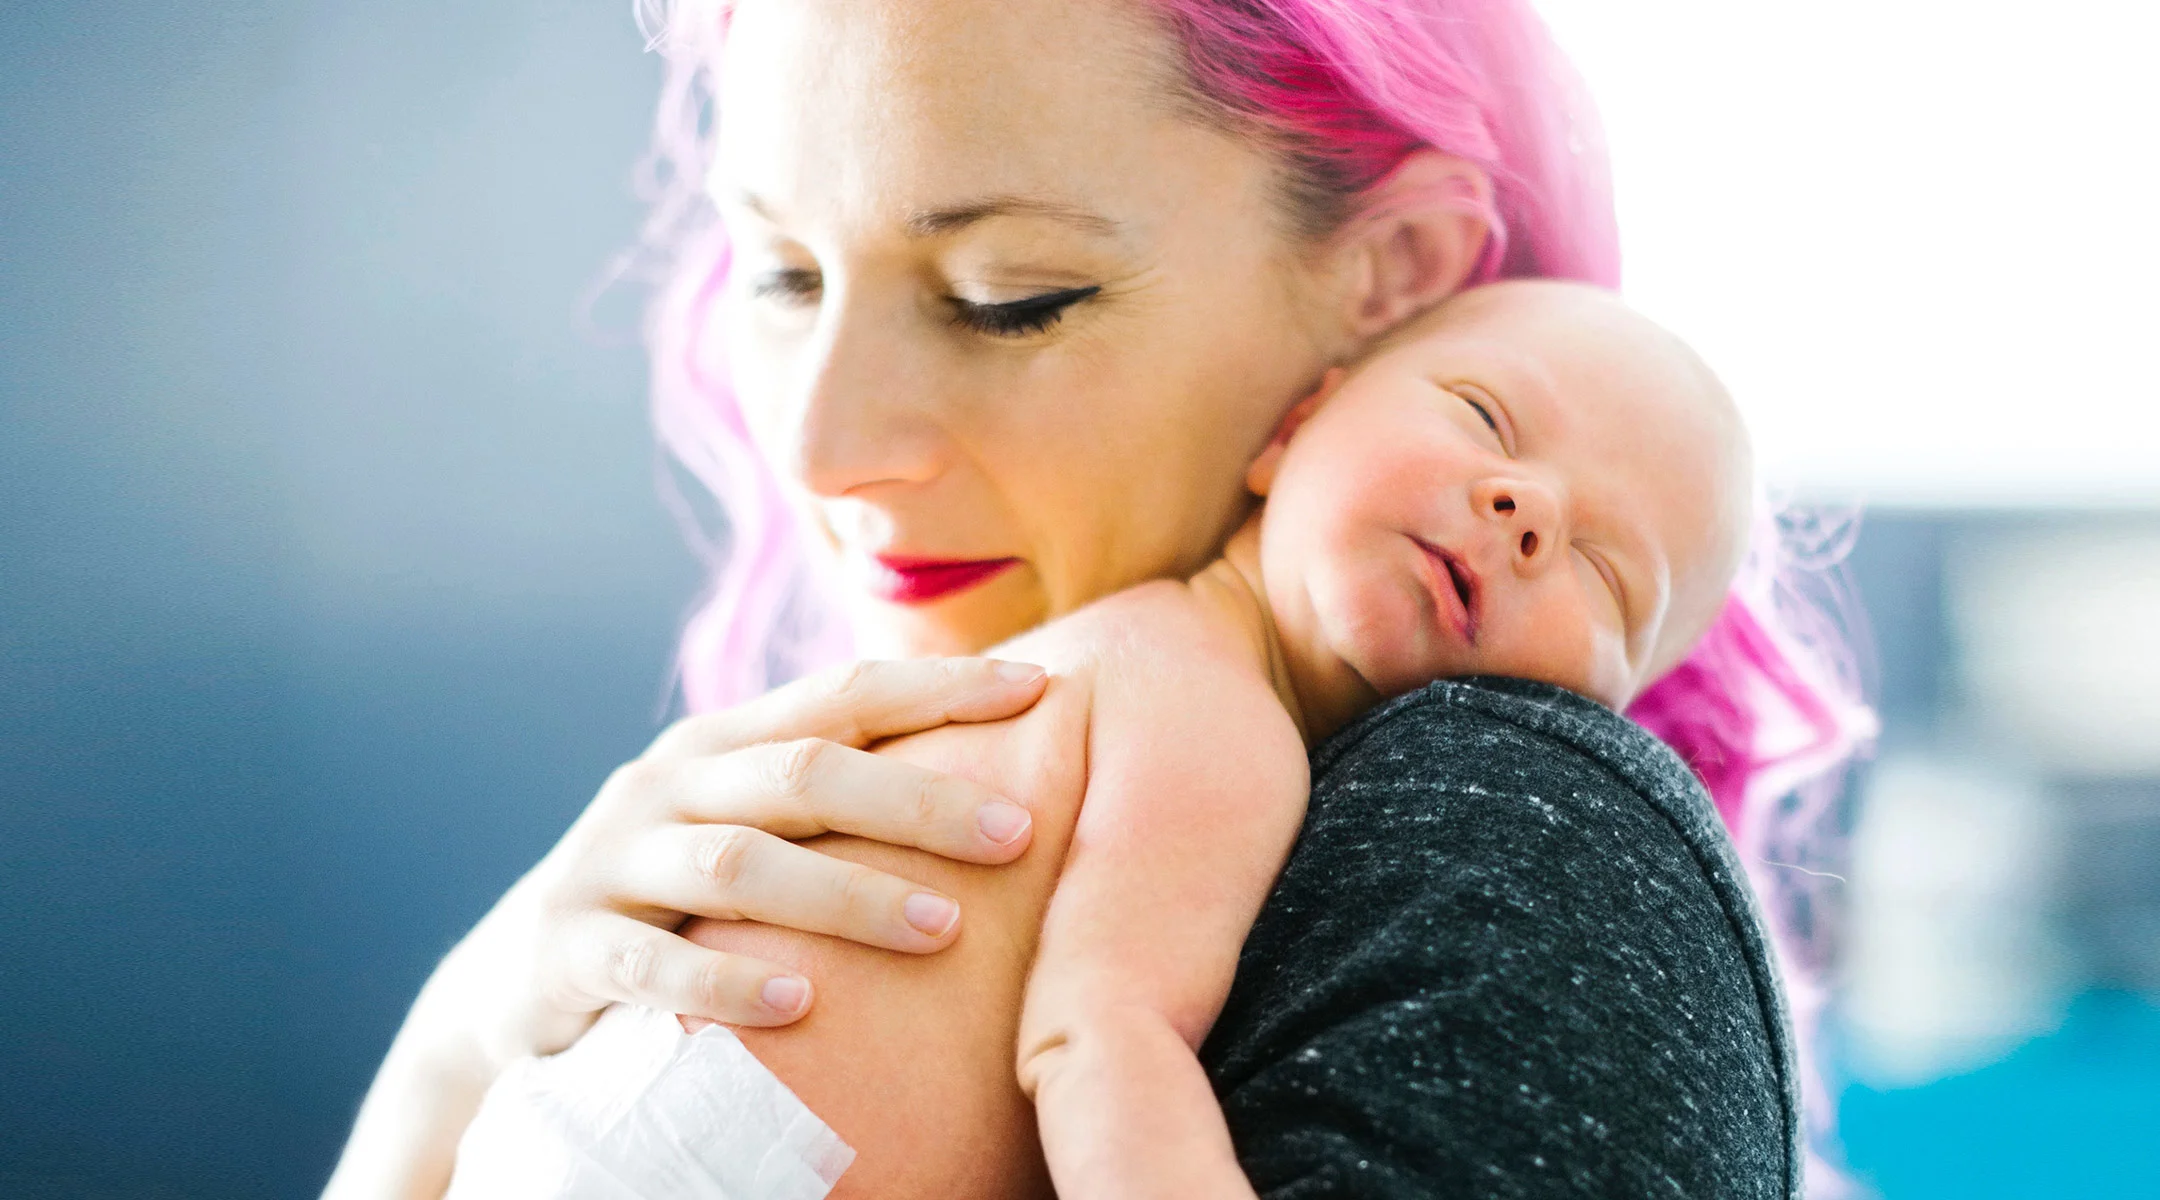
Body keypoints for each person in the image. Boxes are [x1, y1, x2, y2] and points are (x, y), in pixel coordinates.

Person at [326, 0, 1863, 1195]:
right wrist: (481, 1014)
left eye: (1012, 297)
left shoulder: (1512, 827)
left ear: (1387, 278)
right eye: (782, 275)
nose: (825, 449)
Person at [443, 280, 1761, 1198]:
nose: (1525, 508)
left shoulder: (1111, 648)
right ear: (1299, 422)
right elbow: (1098, 1041)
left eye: (1602, 570)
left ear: (1602, 709)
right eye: (1483, 418)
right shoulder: (1214, 718)